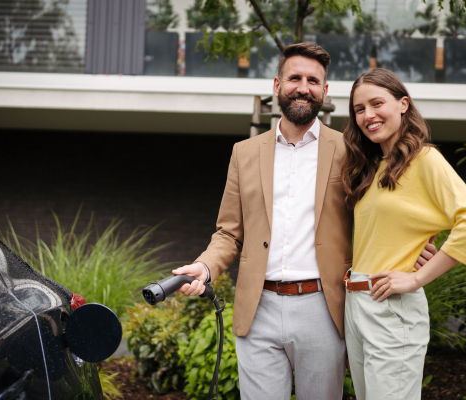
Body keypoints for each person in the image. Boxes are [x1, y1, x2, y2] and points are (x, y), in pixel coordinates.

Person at [172, 45, 436, 400]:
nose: (304, 87)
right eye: (295, 78)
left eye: (314, 80)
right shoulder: (244, 153)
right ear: (278, 84)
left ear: (325, 92)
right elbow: (229, 233)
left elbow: (390, 208)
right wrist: (205, 266)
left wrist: (414, 249)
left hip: (323, 309)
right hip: (257, 308)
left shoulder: (350, 151)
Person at [340, 68, 466, 400]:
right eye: (359, 109)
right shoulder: (373, 167)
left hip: (391, 305)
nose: (368, 115)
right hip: (357, 303)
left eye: (377, 103)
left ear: (403, 104)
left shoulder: (425, 160)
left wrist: (417, 278)